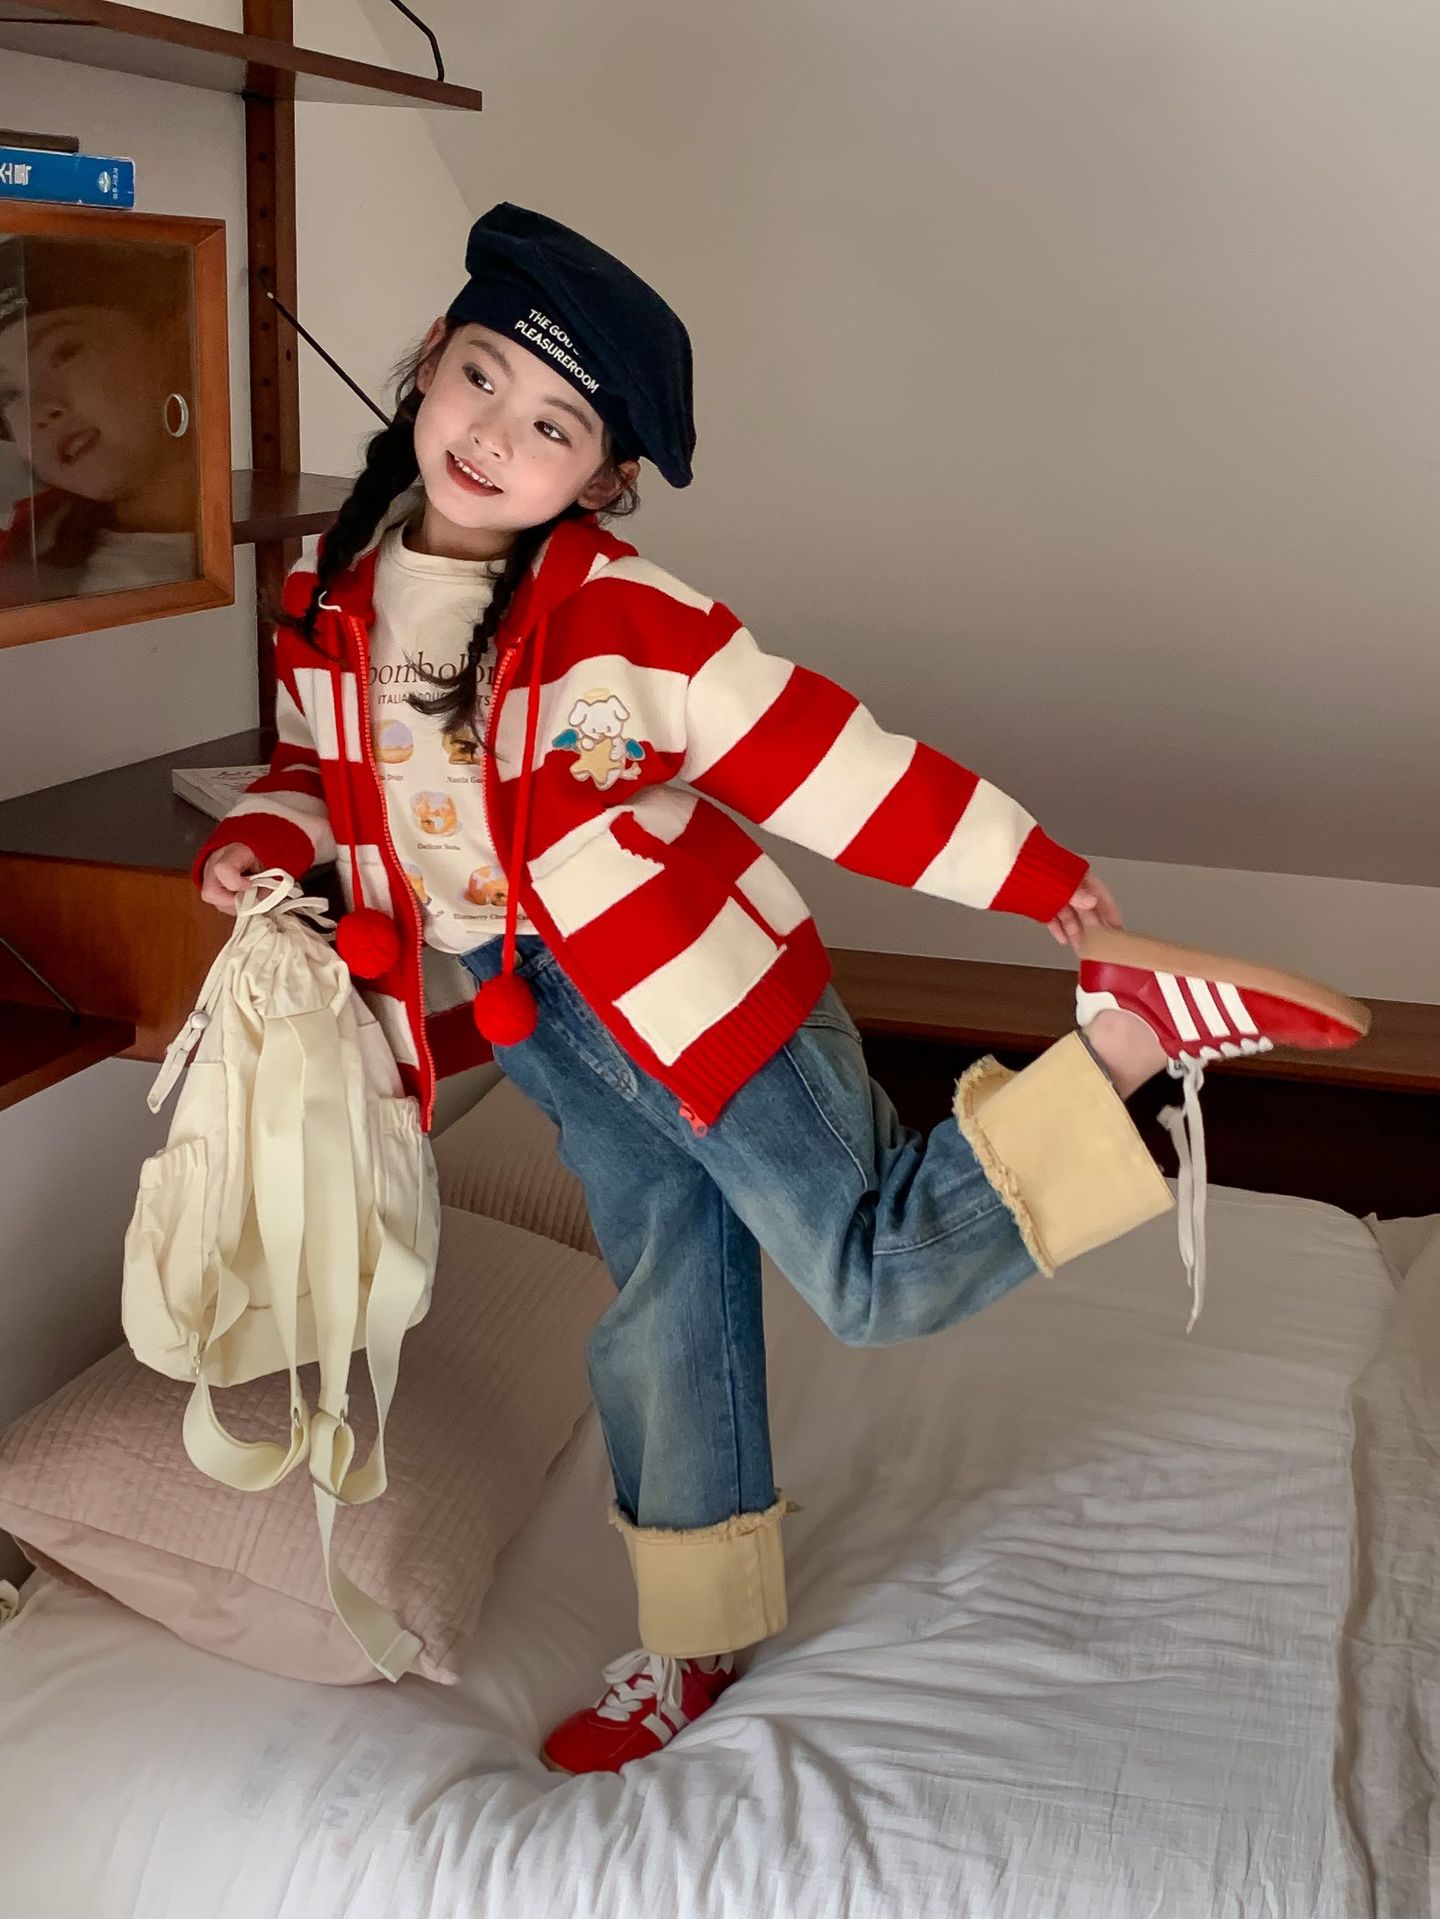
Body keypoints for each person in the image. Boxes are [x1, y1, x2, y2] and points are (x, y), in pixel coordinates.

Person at [194, 204, 1369, 1775]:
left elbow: (825, 757)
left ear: (599, 479)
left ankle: (1133, 1039)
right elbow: (315, 768)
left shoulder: (622, 615)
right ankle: (695, 1642)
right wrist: (267, 840)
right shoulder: (333, 590)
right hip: (553, 1036)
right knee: (665, 1318)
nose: (494, 434)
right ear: (426, 361)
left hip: (707, 998)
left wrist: (1033, 876)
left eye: (552, 426)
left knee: (873, 1277)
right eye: (480, 379)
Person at [0, 235, 198, 608]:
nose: (40, 409)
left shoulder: (291, 555)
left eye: (64, 352)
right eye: (8, 394)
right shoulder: (22, 548)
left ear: (172, 342)